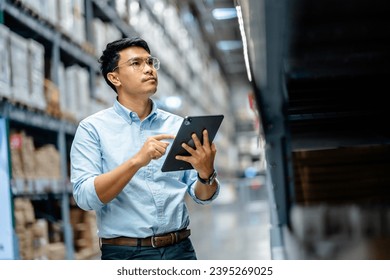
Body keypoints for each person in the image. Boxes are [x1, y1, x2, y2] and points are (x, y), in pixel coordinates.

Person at [70, 37, 220, 260]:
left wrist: (206, 173)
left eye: (150, 62)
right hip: (125, 254)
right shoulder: (93, 129)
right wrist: (136, 161)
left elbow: (203, 197)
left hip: (180, 251)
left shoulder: (178, 126)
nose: (149, 69)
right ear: (114, 77)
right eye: (136, 63)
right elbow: (85, 197)